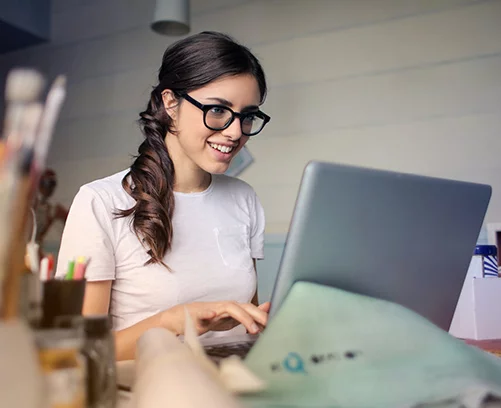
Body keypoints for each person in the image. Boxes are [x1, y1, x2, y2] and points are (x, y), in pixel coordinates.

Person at [56, 31, 272, 361]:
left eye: (248, 116)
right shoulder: (100, 202)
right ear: (171, 103)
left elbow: (248, 319)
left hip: (234, 384)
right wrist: (173, 321)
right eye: (217, 110)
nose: (235, 132)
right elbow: (81, 351)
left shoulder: (244, 198)